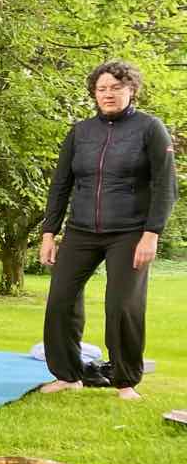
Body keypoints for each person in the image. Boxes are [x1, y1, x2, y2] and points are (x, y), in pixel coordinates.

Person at [38, 60, 177, 400]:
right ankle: (67, 375)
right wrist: (48, 233)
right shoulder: (80, 132)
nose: (108, 94)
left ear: (132, 90)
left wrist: (151, 233)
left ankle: (125, 381)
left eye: (116, 87)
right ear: (94, 94)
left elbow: (165, 185)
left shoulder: (150, 128)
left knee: (122, 306)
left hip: (129, 232)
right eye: (102, 89)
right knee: (60, 301)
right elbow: (61, 185)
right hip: (81, 230)